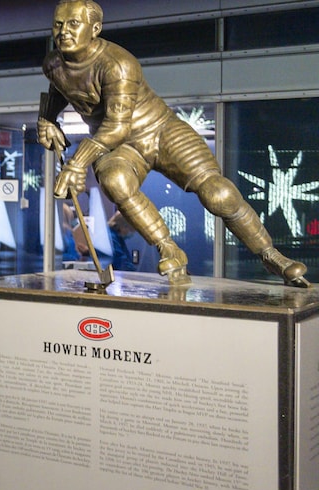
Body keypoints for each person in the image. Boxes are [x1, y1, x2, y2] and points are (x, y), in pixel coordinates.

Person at [38, 0, 309, 287]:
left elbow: (117, 126)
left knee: (218, 194)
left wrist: (78, 163)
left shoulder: (117, 64)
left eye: (73, 24)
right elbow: (58, 88)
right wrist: (47, 120)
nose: (63, 32)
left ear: (95, 29)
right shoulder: (53, 64)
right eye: (58, 24)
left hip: (159, 130)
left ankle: (271, 255)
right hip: (121, 148)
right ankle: (169, 249)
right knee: (116, 181)